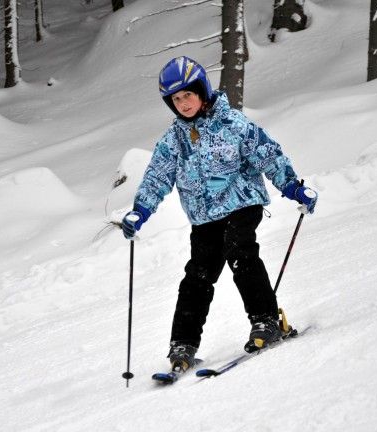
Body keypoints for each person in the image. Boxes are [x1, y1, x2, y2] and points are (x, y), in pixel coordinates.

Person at [121, 56, 318, 373]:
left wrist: (293, 186)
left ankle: (266, 321)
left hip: (241, 202)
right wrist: (140, 211)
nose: (183, 103)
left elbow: (268, 153)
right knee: (198, 275)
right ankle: (183, 344)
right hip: (203, 217)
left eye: (188, 94)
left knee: (239, 249)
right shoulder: (174, 141)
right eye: (176, 99)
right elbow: (157, 177)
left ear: (202, 91)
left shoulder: (234, 125)